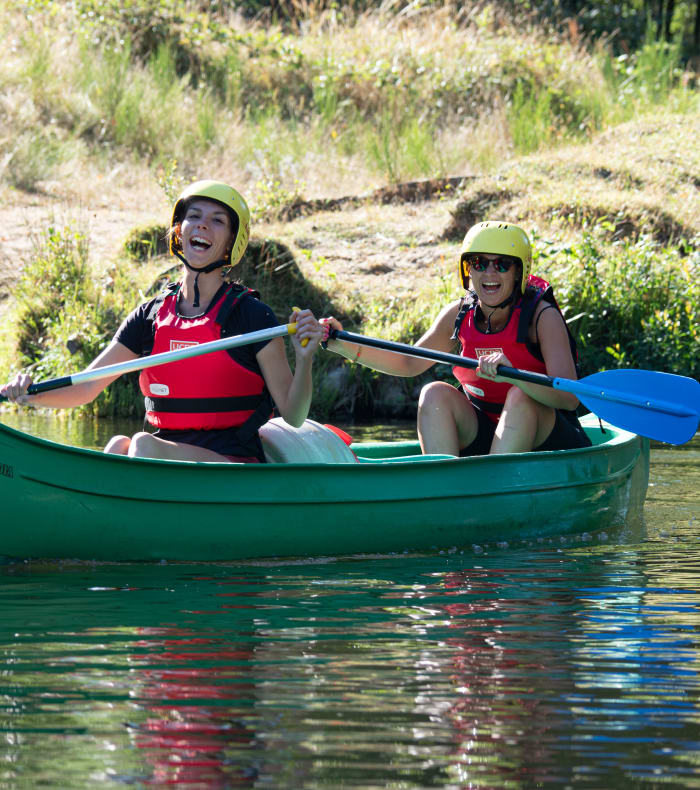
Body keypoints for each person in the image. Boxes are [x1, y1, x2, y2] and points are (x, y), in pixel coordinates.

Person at [1, 180, 324, 463]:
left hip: (232, 461)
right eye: (193, 217)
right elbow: (86, 387)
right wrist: (30, 395)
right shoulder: (150, 316)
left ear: (230, 242)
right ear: (178, 232)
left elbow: (293, 416)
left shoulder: (253, 317)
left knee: (142, 444)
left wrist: (305, 358)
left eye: (217, 221)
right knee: (118, 444)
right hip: (162, 453)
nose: (202, 226)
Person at [321, 221, 592, 456]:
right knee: (433, 393)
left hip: (549, 439)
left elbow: (569, 399)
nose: (489, 274)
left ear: (518, 272)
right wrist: (341, 344)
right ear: (468, 270)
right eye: (479, 263)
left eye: (502, 264)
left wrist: (514, 376)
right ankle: (442, 490)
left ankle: (491, 493)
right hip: (486, 433)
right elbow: (407, 363)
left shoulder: (542, 318)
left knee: (520, 397)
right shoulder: (459, 314)